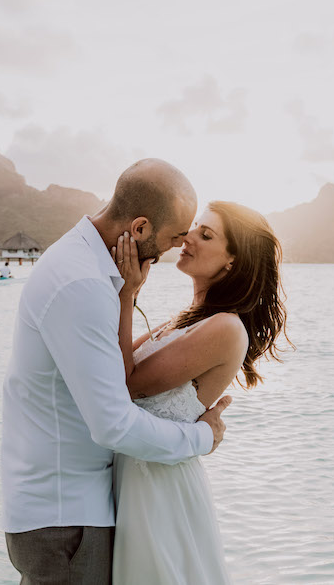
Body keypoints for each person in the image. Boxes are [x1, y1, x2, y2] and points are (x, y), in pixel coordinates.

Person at [1, 159, 233, 584]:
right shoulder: (82, 285)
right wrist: (202, 436)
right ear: (140, 228)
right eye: (173, 237)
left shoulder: (84, 266)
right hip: (65, 519)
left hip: (64, 510)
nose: (173, 249)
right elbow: (113, 426)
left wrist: (128, 294)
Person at [110, 201, 291, 584]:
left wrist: (127, 294)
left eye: (205, 235)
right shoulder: (185, 319)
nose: (187, 237)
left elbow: (125, 384)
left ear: (231, 263)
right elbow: (113, 365)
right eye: (195, 227)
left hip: (158, 492)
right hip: (137, 479)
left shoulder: (226, 328)